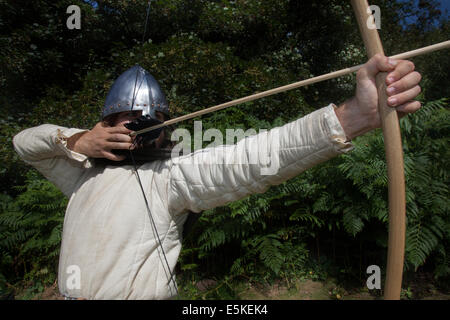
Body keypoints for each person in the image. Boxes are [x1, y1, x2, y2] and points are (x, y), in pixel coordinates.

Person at [13, 54, 422, 300]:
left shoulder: (170, 177)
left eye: (148, 121)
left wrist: (353, 117)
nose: (137, 127)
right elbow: (23, 143)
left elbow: (254, 158)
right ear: (105, 123)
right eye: (126, 120)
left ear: (164, 126)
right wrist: (78, 140)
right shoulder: (80, 173)